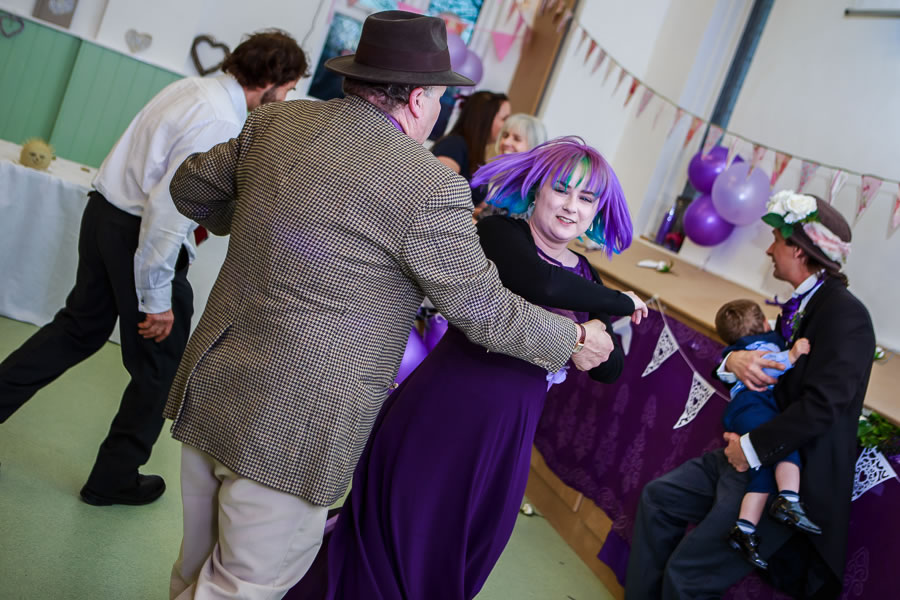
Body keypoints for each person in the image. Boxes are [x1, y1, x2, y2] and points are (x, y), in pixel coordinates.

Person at [162, 12, 616, 600]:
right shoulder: (427, 185)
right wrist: (574, 339)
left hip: (215, 381)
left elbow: (190, 187)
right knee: (243, 586)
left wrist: (249, 217)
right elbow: (482, 308)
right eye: (441, 99)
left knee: (194, 568)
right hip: (297, 421)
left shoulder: (277, 121)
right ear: (419, 99)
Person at [288, 137, 647, 600]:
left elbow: (610, 368)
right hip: (443, 412)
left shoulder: (584, 276)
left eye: (586, 198)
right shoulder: (501, 235)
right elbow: (539, 283)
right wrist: (612, 307)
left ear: (596, 211)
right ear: (536, 190)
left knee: (464, 549)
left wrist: (596, 334)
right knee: (400, 538)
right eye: (561, 190)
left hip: (506, 436)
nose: (571, 206)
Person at [0, 30, 307, 507]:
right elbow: (167, 212)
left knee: (76, 331)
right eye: (288, 89)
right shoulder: (219, 120)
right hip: (137, 234)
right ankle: (114, 478)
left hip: (104, 214)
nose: (285, 99)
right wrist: (157, 299)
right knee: (160, 370)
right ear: (269, 80)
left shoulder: (192, 88)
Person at [625, 191, 875, 599]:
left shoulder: (846, 316)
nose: (769, 250)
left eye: (776, 239)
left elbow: (822, 408)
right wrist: (734, 360)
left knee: (688, 575)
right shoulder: (803, 304)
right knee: (659, 498)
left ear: (798, 249)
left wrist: (751, 448)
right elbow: (766, 362)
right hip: (758, 450)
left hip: (789, 477)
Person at [714, 299, 820, 570]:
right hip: (754, 406)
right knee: (782, 445)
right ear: (764, 323)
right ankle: (789, 499)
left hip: (744, 410)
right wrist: (792, 356)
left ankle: (744, 529)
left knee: (762, 470)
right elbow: (771, 364)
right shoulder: (760, 346)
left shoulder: (736, 348)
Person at [431, 90, 511, 209]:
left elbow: (477, 204)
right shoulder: (454, 145)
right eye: (504, 119)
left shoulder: (475, 154)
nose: (507, 126)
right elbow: (437, 192)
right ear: (485, 119)